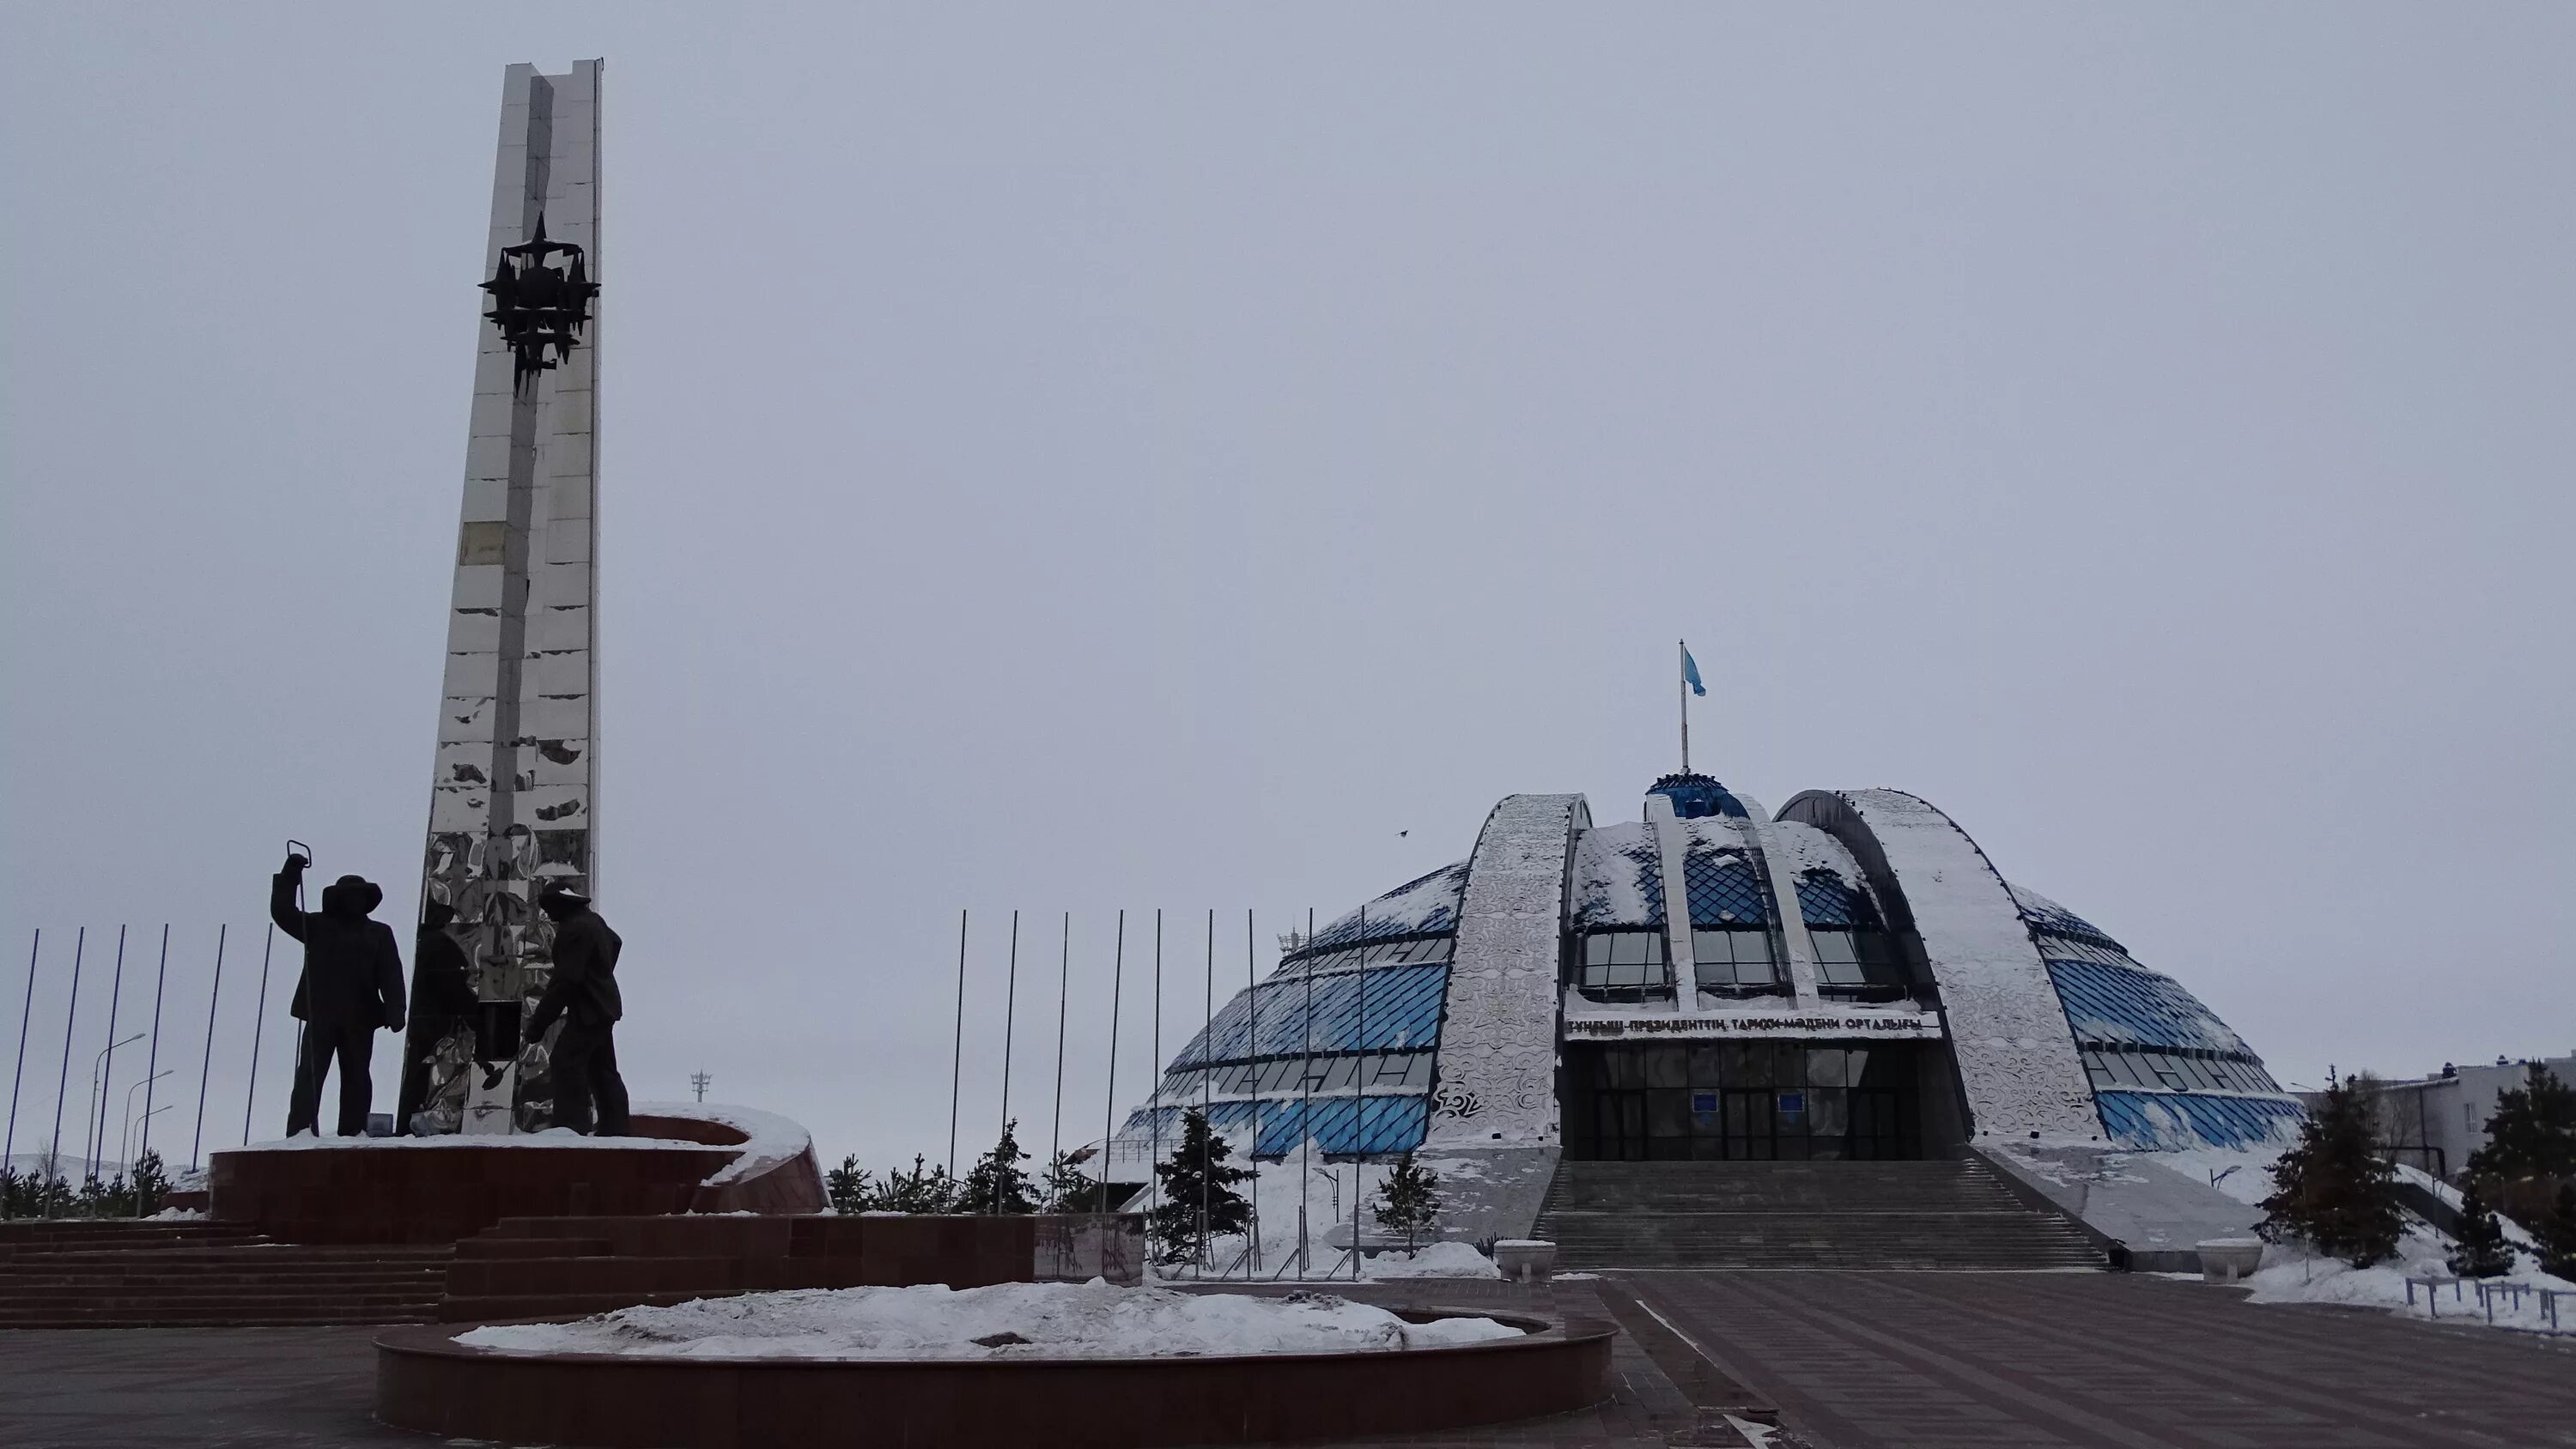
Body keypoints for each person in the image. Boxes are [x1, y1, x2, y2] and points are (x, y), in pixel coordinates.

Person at [270, 852, 407, 1137]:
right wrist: (290, 875)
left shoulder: (378, 932)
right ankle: (300, 1131)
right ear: (338, 900)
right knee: (309, 1075)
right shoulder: (318, 926)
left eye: (360, 896)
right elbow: (283, 912)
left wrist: (396, 1009)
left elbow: (391, 973)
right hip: (321, 1014)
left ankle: (353, 1131)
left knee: (357, 1077)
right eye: (349, 896)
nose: (354, 901)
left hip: (361, 1016)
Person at [526, 885, 628, 1137]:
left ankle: (571, 1130)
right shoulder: (593, 921)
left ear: (562, 905)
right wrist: (600, 972)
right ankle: (615, 1129)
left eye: (549, 908)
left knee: (565, 1062)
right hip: (602, 1005)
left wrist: (539, 1024)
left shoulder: (575, 929)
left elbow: (565, 981)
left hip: (589, 1009)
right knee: (601, 1068)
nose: (548, 915)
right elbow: (616, 942)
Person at [397, 900, 481, 1133]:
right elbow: (451, 985)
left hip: (426, 1018)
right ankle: (409, 1124)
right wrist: (477, 1016)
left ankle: (407, 1121)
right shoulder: (439, 945)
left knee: (419, 1073)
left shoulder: (426, 943)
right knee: (422, 1074)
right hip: (434, 1021)